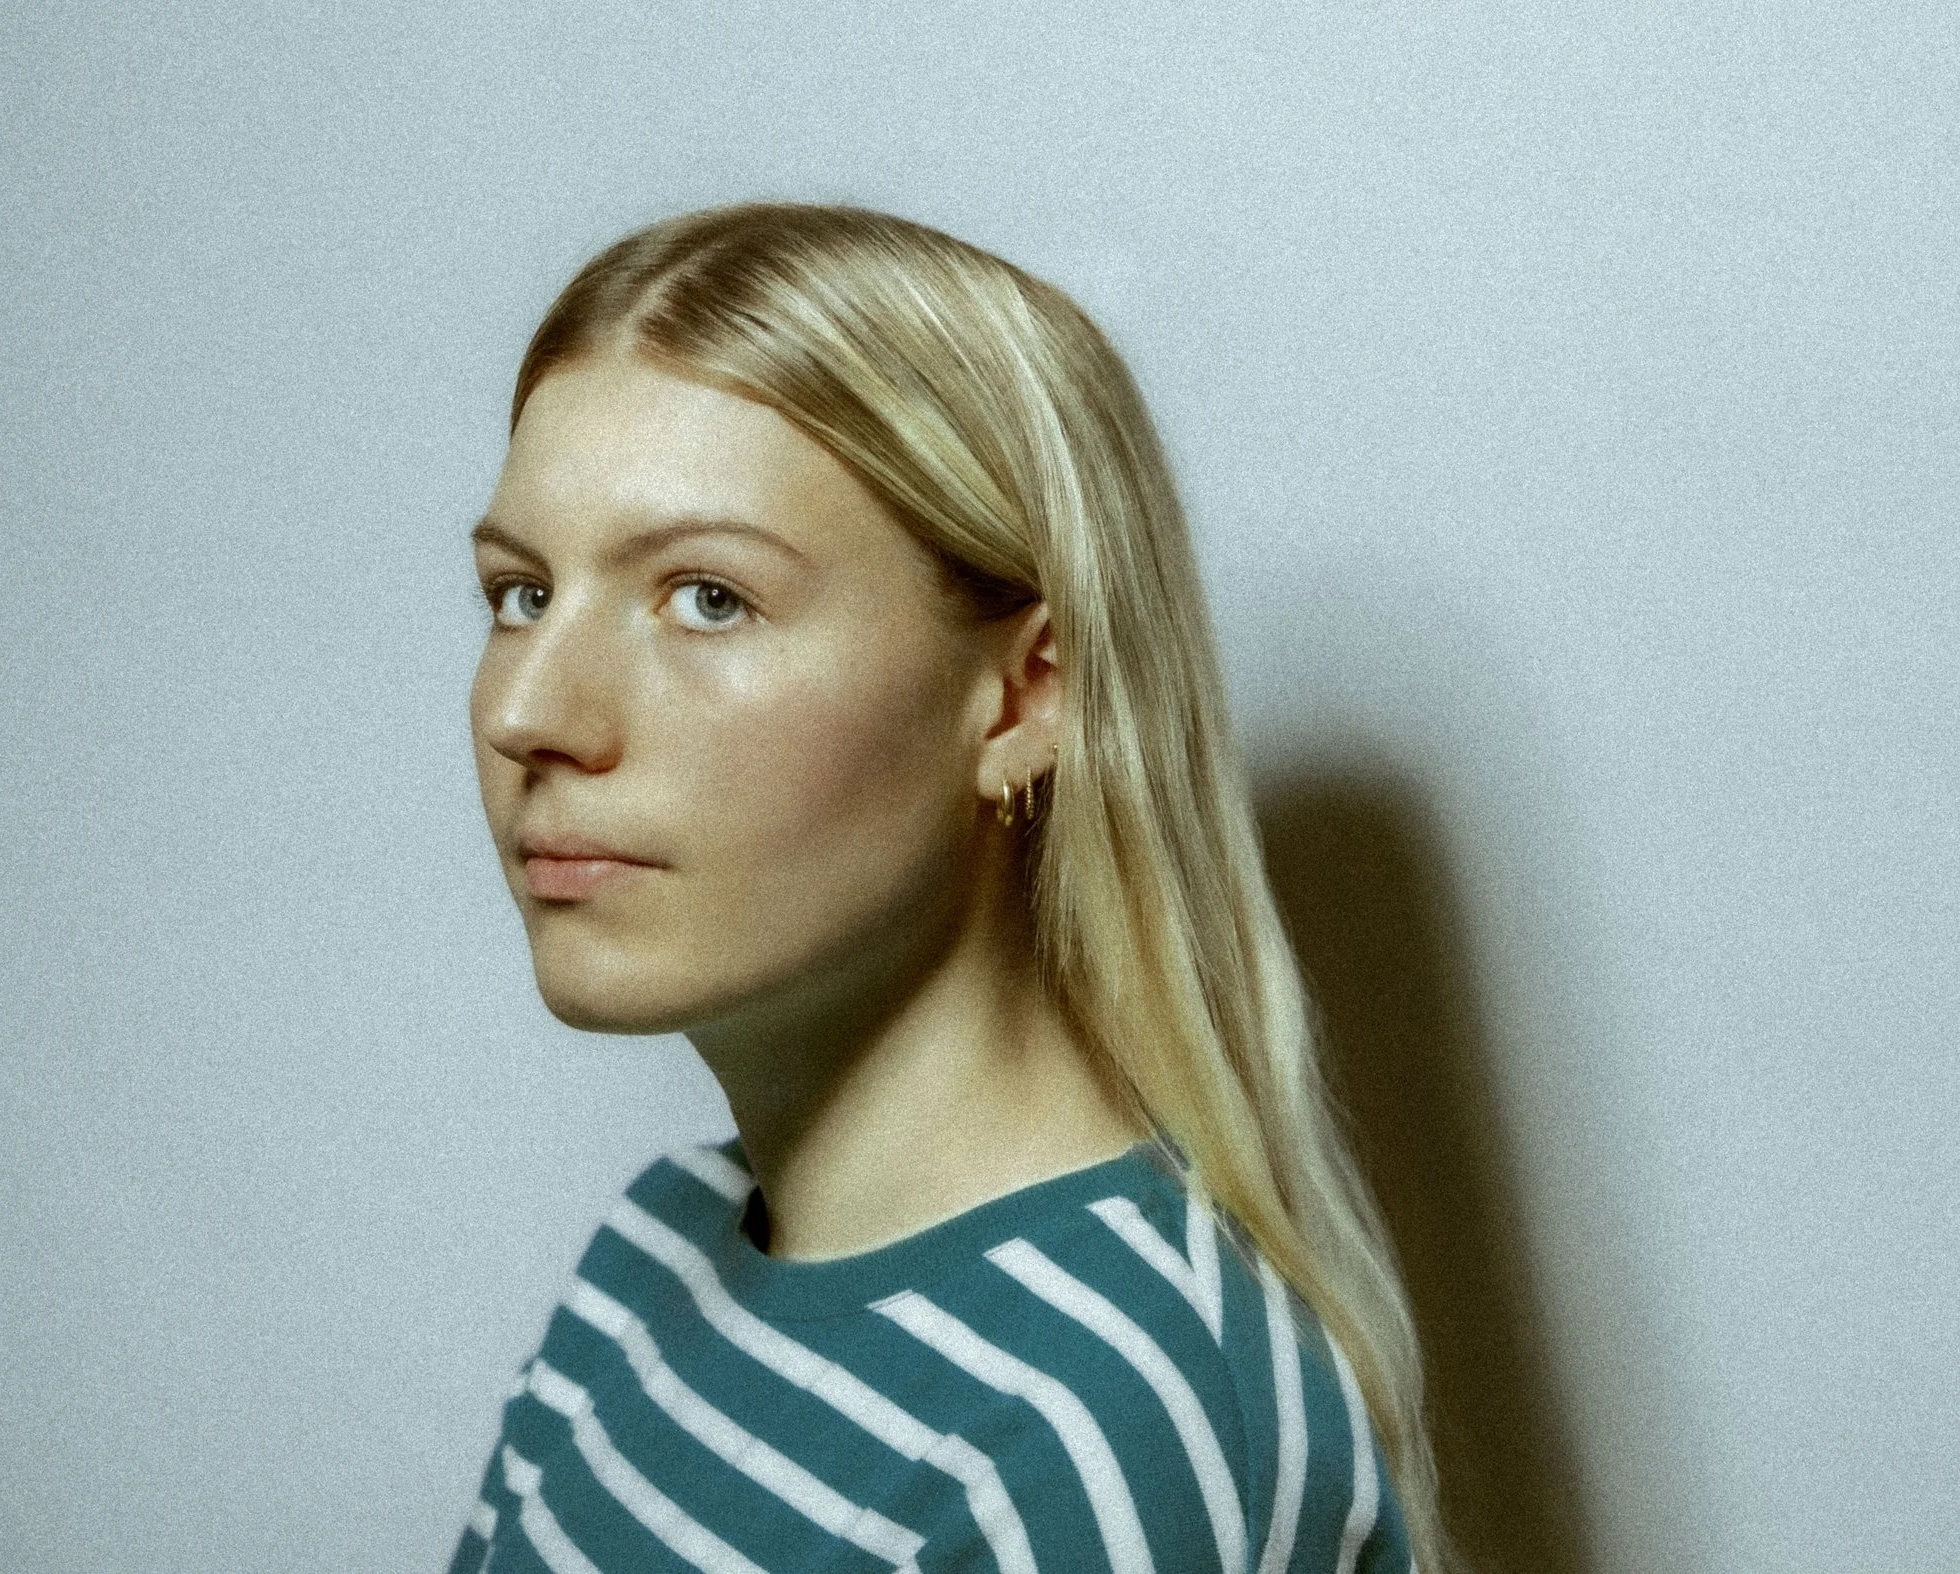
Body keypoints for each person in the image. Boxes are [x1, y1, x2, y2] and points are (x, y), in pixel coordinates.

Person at [450, 202, 1445, 1574]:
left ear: (1027, 696)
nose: (529, 713)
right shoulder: (648, 1257)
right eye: (519, 594)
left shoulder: (1106, 1429)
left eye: (709, 597)